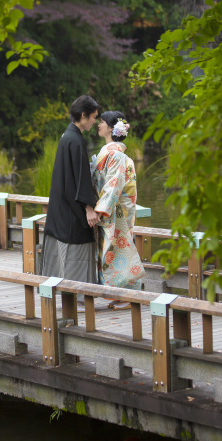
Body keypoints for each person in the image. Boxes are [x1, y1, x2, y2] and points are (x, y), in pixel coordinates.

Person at [42, 95, 102, 289]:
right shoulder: (75, 140)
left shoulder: (68, 136)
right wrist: (89, 207)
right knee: (76, 247)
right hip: (71, 207)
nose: (94, 122)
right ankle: (78, 295)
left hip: (62, 203)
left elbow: (73, 177)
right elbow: (81, 178)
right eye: (93, 117)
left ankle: (71, 294)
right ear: (83, 115)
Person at [92, 111, 145, 308]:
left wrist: (100, 209)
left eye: (102, 122)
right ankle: (119, 293)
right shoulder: (111, 152)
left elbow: (113, 184)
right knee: (113, 250)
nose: (99, 124)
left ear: (112, 128)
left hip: (117, 209)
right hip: (114, 207)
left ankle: (129, 294)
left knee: (121, 249)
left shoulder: (115, 154)